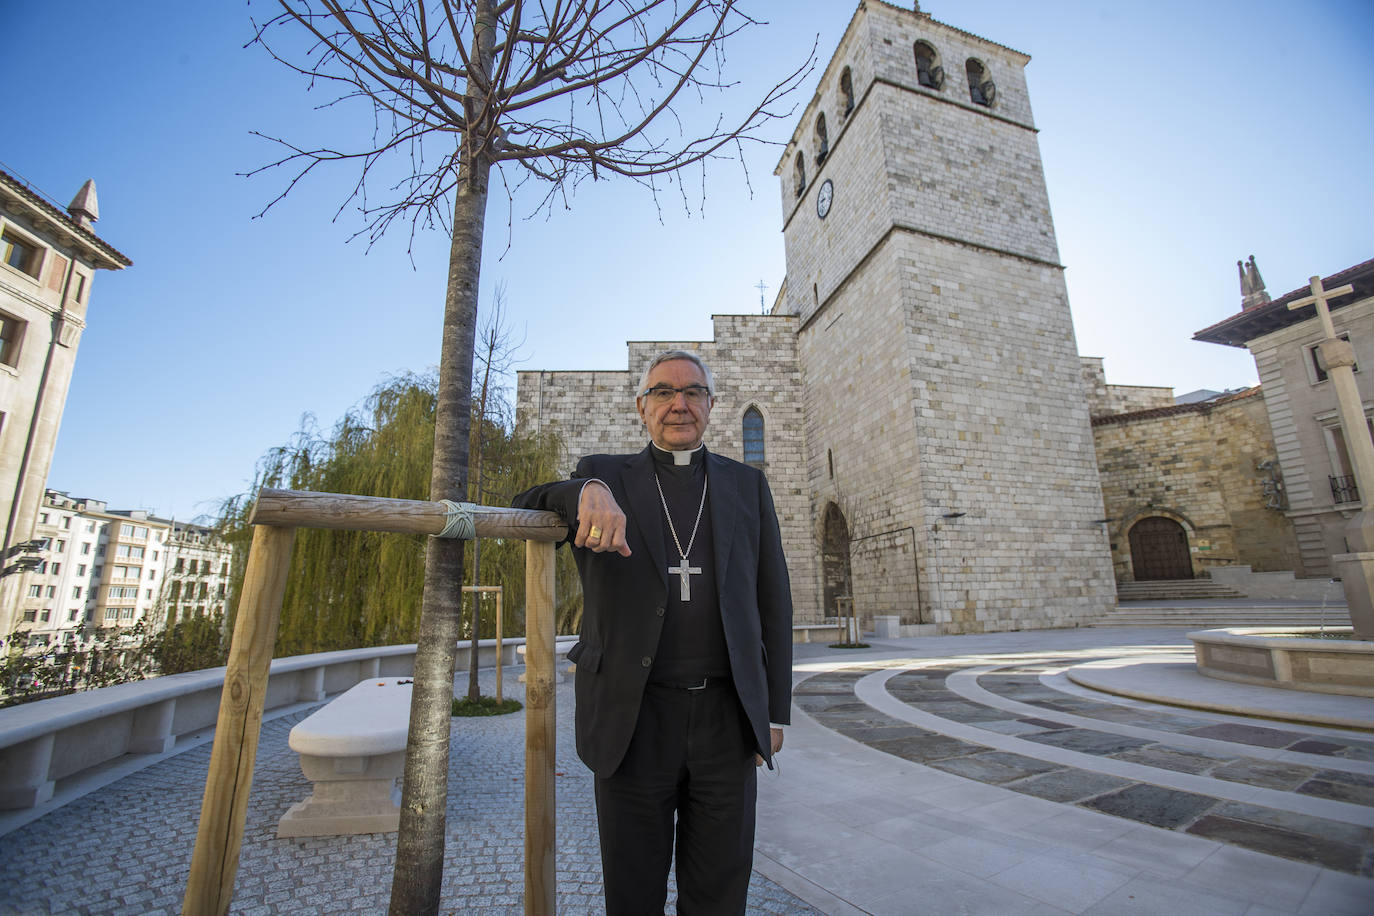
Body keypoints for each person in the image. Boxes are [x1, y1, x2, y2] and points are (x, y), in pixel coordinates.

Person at [513, 349, 793, 915]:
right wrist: (581, 491)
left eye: (692, 392)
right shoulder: (605, 476)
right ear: (642, 407)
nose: (678, 403)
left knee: (720, 892)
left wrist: (775, 710)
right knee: (633, 892)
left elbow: (774, 602)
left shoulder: (746, 486)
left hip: (726, 722)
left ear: (711, 405)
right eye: (663, 392)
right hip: (632, 720)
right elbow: (523, 505)